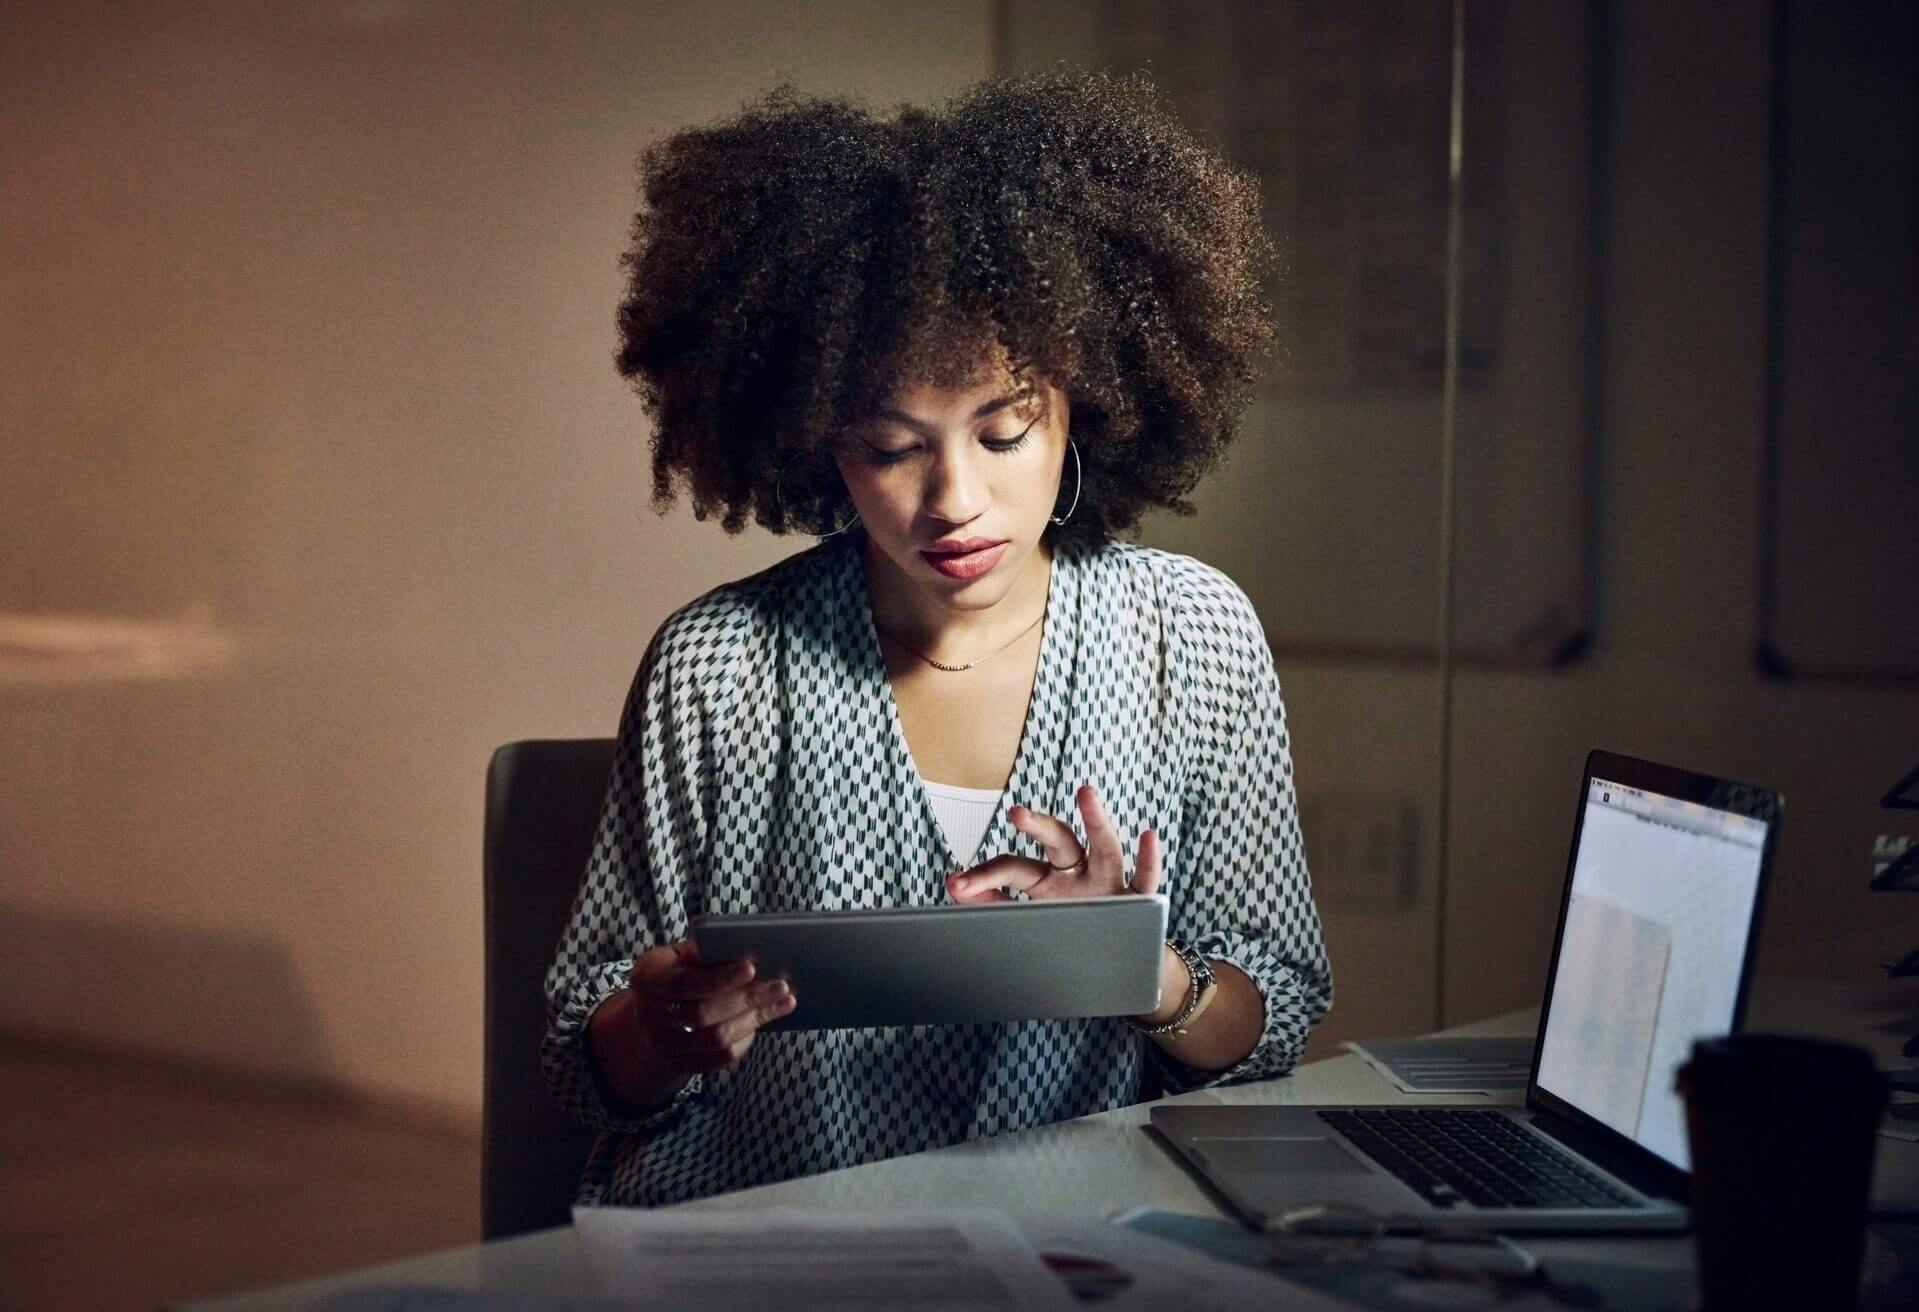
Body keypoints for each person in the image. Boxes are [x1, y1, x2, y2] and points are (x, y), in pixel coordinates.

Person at [541, 66, 1332, 1208]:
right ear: (817, 440)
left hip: (1082, 1241)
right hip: (765, 1241)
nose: (952, 497)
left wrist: (1144, 974)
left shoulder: (1191, 635)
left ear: (1088, 401)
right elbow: (585, 1062)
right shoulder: (716, 664)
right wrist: (661, 1030)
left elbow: (1274, 1022)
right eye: (889, 445)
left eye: (1003, 431)